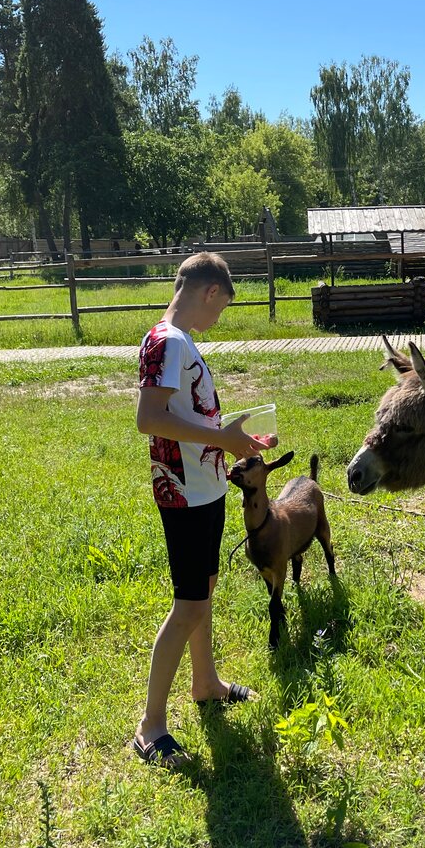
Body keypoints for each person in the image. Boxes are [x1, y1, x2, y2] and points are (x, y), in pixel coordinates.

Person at [132, 252, 268, 767]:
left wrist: (234, 440)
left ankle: (205, 683)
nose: (218, 319)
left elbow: (186, 417)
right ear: (211, 291)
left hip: (203, 485)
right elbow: (150, 419)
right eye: (222, 308)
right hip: (185, 493)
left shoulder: (178, 341)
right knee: (188, 605)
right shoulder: (168, 342)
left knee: (203, 591)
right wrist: (222, 438)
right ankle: (151, 726)